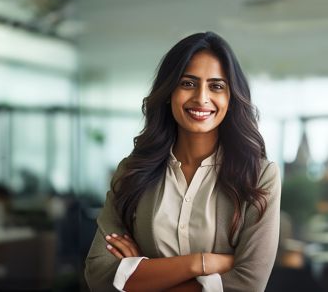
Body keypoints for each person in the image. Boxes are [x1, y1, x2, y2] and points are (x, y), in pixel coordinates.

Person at [84, 32, 281, 292]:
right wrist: (202, 264)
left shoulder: (260, 176)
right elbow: (99, 273)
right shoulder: (133, 171)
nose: (201, 98)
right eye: (188, 83)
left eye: (216, 86)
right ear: (168, 92)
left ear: (231, 98)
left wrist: (139, 276)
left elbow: (248, 284)